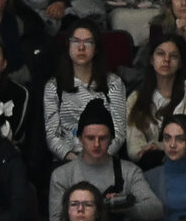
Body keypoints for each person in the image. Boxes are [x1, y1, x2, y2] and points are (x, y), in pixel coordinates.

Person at [47, 103, 164, 221]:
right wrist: (90, 211)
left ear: (111, 139)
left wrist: (125, 207)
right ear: (80, 138)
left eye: (102, 138)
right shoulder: (62, 174)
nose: (96, 144)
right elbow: (55, 219)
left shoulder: (129, 170)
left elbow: (156, 208)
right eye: (90, 138)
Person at [42, 24, 126, 162]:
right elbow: (52, 136)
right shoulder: (54, 86)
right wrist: (77, 162)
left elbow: (119, 133)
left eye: (88, 42)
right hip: (67, 160)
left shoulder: (113, 83)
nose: (81, 47)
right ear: (68, 46)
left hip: (105, 159)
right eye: (75, 41)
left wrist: (98, 159)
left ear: (96, 48)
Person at [127, 39, 186, 167]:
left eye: (173, 56)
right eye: (160, 54)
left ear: (180, 63)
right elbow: (133, 146)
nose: (166, 59)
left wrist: (159, 147)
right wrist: (147, 151)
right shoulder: (135, 98)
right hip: (151, 163)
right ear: (151, 60)